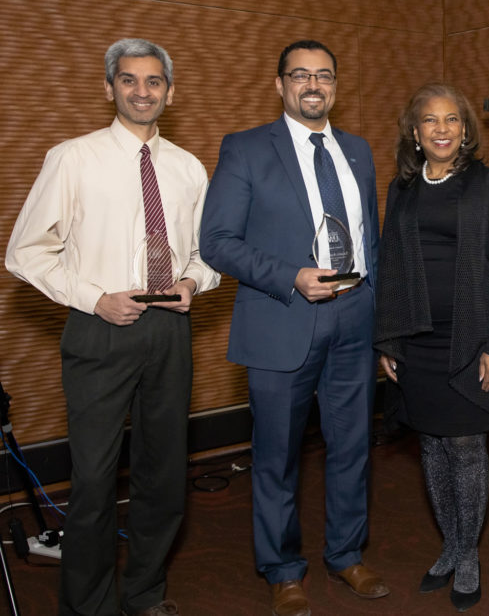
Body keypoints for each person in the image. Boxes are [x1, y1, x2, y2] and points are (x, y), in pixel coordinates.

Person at [5, 38, 220, 616]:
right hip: (98, 332)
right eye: (129, 80)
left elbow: (208, 254)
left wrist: (193, 283)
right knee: (95, 483)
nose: (142, 91)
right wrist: (95, 299)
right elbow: (24, 253)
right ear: (109, 88)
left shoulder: (187, 168)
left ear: (169, 93)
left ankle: (145, 593)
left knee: (164, 475)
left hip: (169, 332)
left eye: (153, 82)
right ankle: (88, 607)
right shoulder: (72, 158)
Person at [199, 40, 386, 616]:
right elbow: (217, 242)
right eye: (300, 75)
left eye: (324, 75)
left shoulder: (357, 150)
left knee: (353, 446)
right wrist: (291, 276)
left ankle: (347, 554)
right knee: (277, 455)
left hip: (354, 319)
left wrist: (379, 316)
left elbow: (370, 240)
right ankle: (282, 570)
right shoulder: (247, 149)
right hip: (282, 318)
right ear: (279, 84)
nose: (313, 84)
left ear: (336, 85)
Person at [375, 83, 489, 612]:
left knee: (467, 446)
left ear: (466, 130)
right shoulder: (401, 189)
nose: (441, 129)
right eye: (430, 120)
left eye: (451, 120)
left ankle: (467, 554)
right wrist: (390, 338)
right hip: (417, 340)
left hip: (470, 339)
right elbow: (392, 268)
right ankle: (450, 542)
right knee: (431, 444)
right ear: (415, 132)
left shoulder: (488, 185)